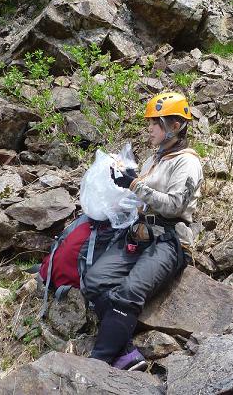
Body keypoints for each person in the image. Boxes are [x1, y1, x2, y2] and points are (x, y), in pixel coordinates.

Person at [81, 92, 203, 371]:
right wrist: (121, 188)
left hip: (169, 242)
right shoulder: (153, 160)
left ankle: (97, 364)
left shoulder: (187, 163)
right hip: (139, 235)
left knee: (129, 291)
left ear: (175, 126)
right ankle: (125, 352)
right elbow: (141, 197)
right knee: (94, 281)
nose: (149, 128)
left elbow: (174, 206)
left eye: (155, 123)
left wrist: (135, 185)